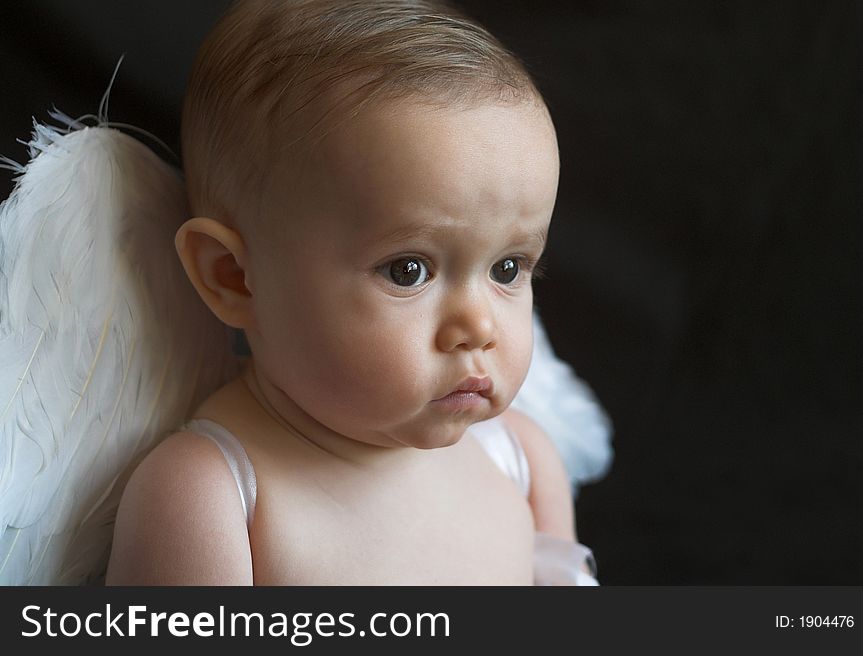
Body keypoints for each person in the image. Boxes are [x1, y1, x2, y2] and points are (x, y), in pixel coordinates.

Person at [105, 0, 598, 585]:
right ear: (234, 277)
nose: (480, 327)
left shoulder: (519, 460)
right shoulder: (212, 496)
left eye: (509, 268)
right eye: (408, 270)